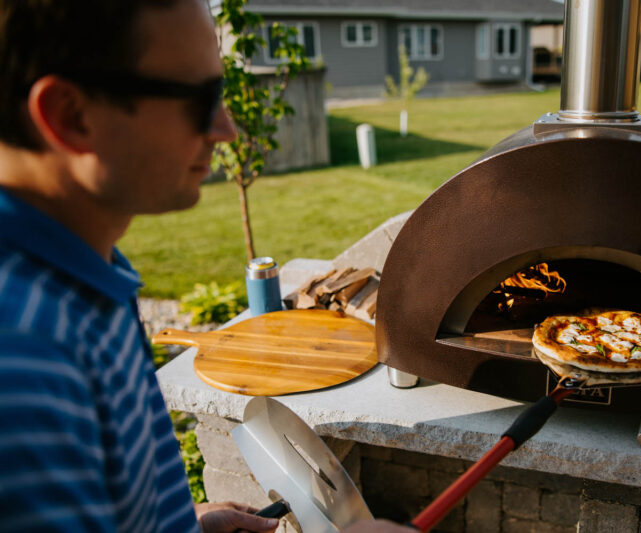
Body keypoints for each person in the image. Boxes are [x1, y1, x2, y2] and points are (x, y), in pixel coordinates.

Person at [0, 1, 414, 532]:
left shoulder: (83, 272)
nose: (227, 130)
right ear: (70, 116)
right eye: (200, 100)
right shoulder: (24, 360)